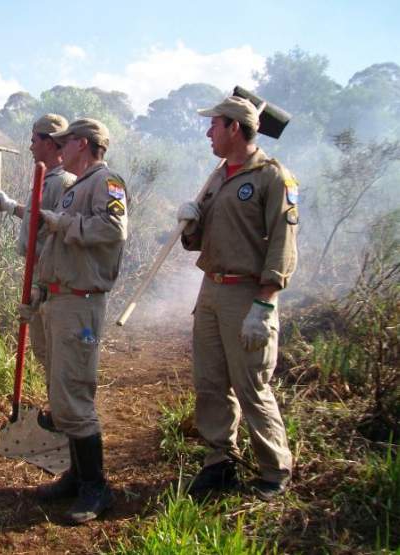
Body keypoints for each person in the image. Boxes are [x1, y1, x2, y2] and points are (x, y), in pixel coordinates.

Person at [177, 95, 297, 500]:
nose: (209, 132)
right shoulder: (217, 177)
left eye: (215, 125)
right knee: (210, 383)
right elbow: (197, 242)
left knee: (251, 385)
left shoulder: (272, 177)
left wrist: (265, 304)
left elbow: (282, 243)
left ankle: (273, 470)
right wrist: (190, 223)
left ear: (234, 128)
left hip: (248, 294)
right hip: (211, 288)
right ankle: (219, 462)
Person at [30, 118, 128, 523]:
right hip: (61, 299)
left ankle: (95, 488)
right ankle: (76, 475)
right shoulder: (77, 186)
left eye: (65, 141)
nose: (60, 147)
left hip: (81, 302)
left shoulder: (108, 182)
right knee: (61, 393)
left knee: (74, 395)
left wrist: (63, 223)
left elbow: (113, 228)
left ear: (83, 145)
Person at [0, 113, 76, 399]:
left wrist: (41, 283)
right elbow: (42, 216)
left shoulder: (63, 182)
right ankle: (57, 409)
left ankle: (62, 415)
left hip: (48, 277)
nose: (30, 147)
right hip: (38, 275)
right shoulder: (49, 178)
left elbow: (57, 227)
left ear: (49, 143)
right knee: (42, 349)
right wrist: (12, 207)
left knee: (52, 352)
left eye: (33, 140)